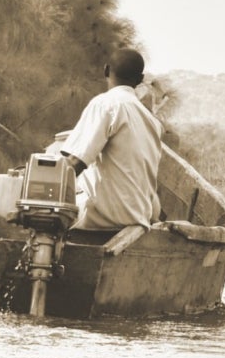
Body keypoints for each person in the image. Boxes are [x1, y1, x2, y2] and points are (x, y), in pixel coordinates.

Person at [55, 49, 165, 232]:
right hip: (139, 217)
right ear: (139, 80)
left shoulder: (105, 104)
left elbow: (75, 163)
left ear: (106, 70)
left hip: (103, 217)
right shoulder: (152, 121)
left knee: (39, 212)